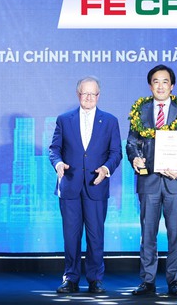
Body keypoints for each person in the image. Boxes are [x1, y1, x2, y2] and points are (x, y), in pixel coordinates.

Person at [125, 64, 177, 297]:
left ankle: (173, 280)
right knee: (148, 234)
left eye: (165, 81)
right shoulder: (141, 110)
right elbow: (131, 142)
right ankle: (147, 280)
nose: (160, 86)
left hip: (175, 182)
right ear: (150, 85)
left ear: (172, 85)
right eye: (156, 81)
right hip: (148, 182)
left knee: (176, 234)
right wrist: (135, 158)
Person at [49, 76, 122, 294]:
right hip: (70, 185)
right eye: (85, 93)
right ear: (78, 94)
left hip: (96, 185)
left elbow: (116, 152)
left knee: (95, 236)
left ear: (98, 96)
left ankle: (95, 279)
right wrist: (58, 163)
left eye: (93, 93)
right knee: (71, 236)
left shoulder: (110, 121)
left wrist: (106, 169)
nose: (89, 97)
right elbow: (54, 149)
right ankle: (70, 278)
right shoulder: (64, 120)